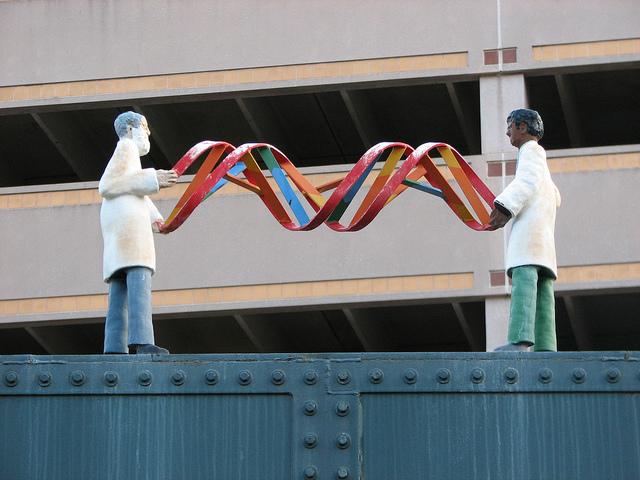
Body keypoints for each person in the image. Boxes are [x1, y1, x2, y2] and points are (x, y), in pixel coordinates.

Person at [99, 111, 177, 354]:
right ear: (131, 129)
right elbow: (109, 185)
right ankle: (142, 341)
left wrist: (155, 218)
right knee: (139, 282)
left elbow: (132, 189)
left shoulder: (128, 155)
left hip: (121, 231)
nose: (148, 133)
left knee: (120, 290)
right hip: (129, 232)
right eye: (144, 127)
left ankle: (114, 347)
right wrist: (154, 177)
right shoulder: (126, 148)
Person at [488, 108, 561, 352]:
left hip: (530, 235)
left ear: (522, 127)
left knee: (524, 282)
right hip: (542, 239)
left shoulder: (529, 152)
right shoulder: (540, 158)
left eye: (510, 125)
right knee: (543, 290)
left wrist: (504, 207)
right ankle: (546, 346)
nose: (508, 130)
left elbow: (527, 181)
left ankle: (519, 340)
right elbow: (554, 194)